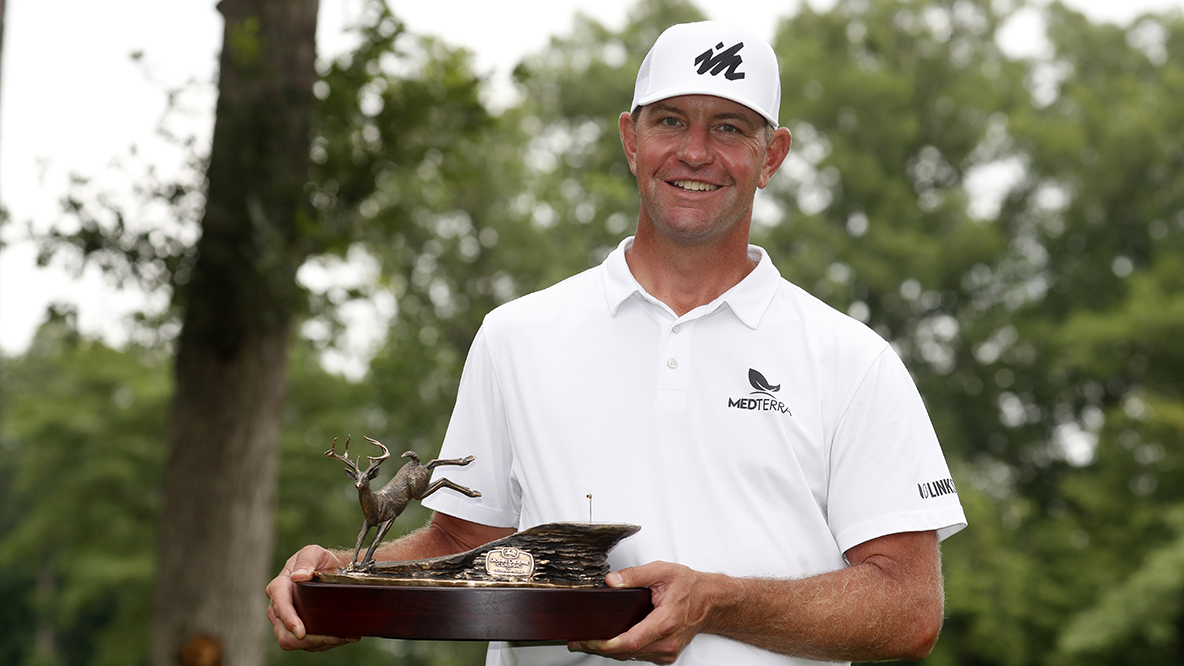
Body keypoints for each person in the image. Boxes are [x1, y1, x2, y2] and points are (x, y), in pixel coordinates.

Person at [267, 20, 967, 665]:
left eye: (728, 127)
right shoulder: (517, 335)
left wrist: (719, 602)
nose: (695, 152)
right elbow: (462, 546)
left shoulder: (852, 360)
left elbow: (909, 608)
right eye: (671, 121)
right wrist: (338, 581)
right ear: (632, 139)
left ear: (772, 155)